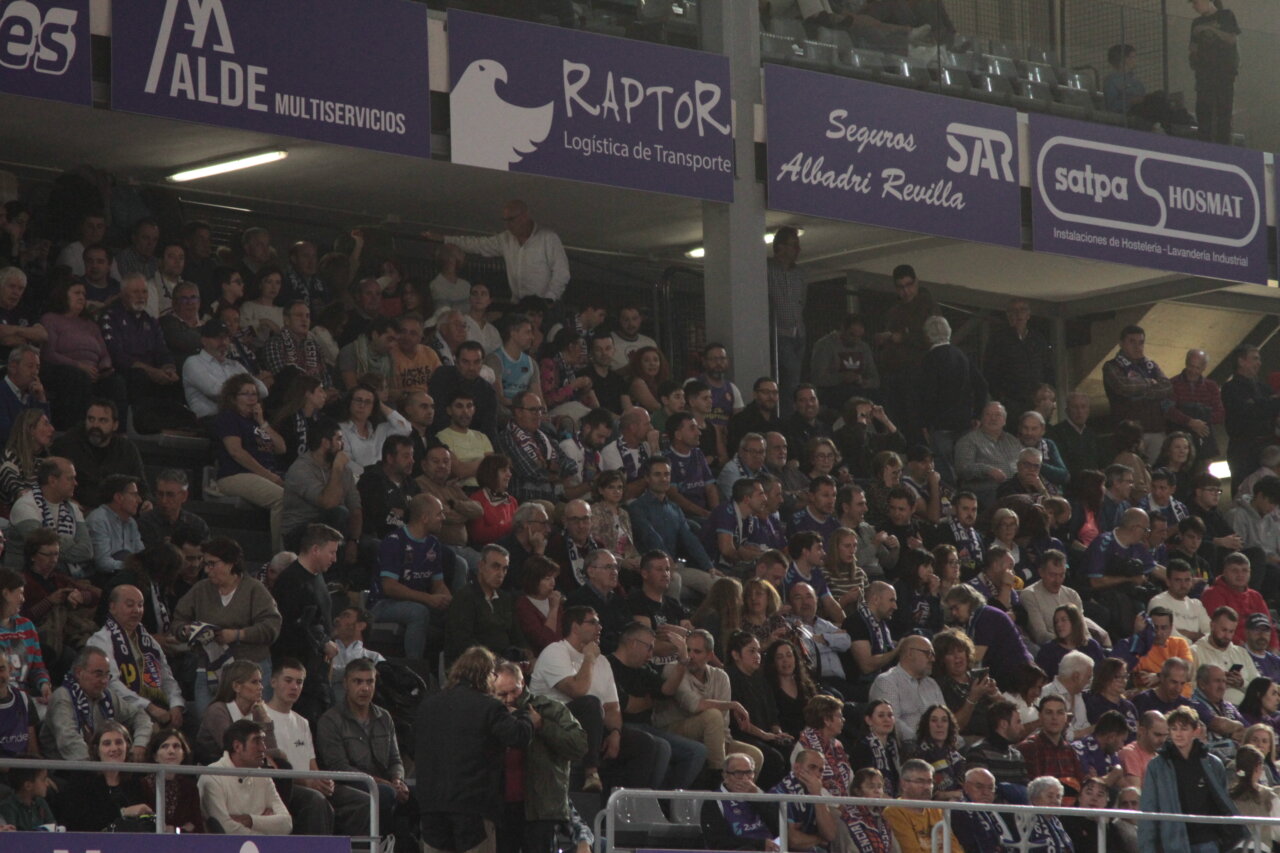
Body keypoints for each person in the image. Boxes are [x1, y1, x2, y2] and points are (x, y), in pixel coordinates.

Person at [171, 536, 281, 715]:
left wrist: (237, 635)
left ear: (230, 564)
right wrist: (186, 631)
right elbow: (177, 621)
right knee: (206, 718)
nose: (206, 570)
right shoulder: (201, 589)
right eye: (205, 564)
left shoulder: (254, 590)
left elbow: (271, 627)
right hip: (209, 670)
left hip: (251, 669)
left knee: (253, 721)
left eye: (212, 564)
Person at [317, 659, 414, 847]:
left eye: (369, 682)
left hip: (385, 784)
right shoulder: (330, 720)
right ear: (345, 684)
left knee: (419, 796)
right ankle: (380, 846)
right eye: (357, 681)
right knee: (385, 794)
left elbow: (395, 759)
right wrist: (383, 783)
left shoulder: (384, 717)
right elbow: (338, 767)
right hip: (348, 783)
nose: (364, 688)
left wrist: (398, 780)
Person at [265, 660, 365, 837]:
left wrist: (322, 782)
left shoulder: (302, 722)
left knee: (363, 801)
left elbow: (312, 764)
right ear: (273, 682)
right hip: (282, 786)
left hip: (309, 783)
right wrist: (309, 783)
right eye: (288, 680)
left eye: (299, 682)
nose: (294, 686)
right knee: (315, 800)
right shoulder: (261, 716)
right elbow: (271, 768)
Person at [1139, 705, 1245, 852]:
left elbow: (1223, 801)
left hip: (1208, 841)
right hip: (1174, 842)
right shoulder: (1157, 767)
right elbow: (1149, 808)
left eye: (1183, 728)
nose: (1178, 734)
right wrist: (1148, 848)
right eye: (1174, 729)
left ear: (1196, 730)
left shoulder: (1213, 764)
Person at [426, 200, 570, 302]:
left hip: (544, 304)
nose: (508, 225)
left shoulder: (548, 238)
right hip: (518, 304)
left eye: (511, 219)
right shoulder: (505, 239)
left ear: (525, 216)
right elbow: (478, 244)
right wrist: (444, 239)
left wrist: (549, 299)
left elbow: (562, 272)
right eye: (505, 220)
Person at [87, 584, 184, 731]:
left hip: (157, 707)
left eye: (140, 605)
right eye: (130, 605)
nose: (137, 611)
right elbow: (110, 684)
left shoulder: (148, 641)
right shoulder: (100, 641)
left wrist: (176, 705)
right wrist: (148, 706)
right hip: (121, 712)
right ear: (112, 607)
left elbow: (167, 679)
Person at [273, 524, 342, 721]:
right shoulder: (291, 581)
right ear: (315, 550)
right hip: (298, 673)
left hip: (317, 671)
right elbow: (297, 625)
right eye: (331, 552)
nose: (334, 558)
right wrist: (324, 642)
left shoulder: (317, 577)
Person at [371, 495, 454, 658]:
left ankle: (450, 669)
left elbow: (438, 584)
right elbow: (389, 587)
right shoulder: (394, 541)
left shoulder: (433, 544)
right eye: (439, 514)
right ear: (424, 518)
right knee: (418, 612)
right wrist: (428, 599)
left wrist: (449, 601)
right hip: (383, 604)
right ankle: (413, 667)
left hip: (418, 600)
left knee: (458, 614)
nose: (443, 518)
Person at [213, 373, 286, 551]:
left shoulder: (256, 422)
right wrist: (268, 475)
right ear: (232, 398)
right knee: (281, 498)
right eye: (246, 394)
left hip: (264, 475)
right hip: (236, 474)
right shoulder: (229, 418)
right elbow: (236, 452)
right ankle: (280, 554)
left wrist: (262, 422)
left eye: (255, 394)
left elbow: (281, 447)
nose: (252, 398)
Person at [40, 645, 152, 760]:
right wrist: (101, 765)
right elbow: (69, 742)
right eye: (98, 674)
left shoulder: (107, 695)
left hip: (102, 764)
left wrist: (140, 743)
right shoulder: (62, 697)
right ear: (79, 673)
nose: (104, 681)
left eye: (107, 675)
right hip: (66, 770)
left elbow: (139, 715)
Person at [39, 279, 123, 428]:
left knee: (116, 382)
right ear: (63, 295)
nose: (82, 297)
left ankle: (117, 432)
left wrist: (104, 368)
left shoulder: (90, 324)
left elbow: (104, 354)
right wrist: (79, 366)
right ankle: (76, 430)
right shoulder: (51, 319)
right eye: (77, 293)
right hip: (63, 370)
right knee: (78, 377)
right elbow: (49, 353)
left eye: (84, 294)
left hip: (93, 373)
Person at [920, 315, 987, 484]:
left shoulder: (929, 360)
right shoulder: (962, 356)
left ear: (927, 336)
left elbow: (928, 394)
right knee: (965, 467)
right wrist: (977, 415)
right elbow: (982, 386)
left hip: (941, 424)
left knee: (945, 472)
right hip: (965, 422)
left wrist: (926, 423)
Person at [198, 719, 293, 835]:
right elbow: (224, 829)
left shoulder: (263, 776)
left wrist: (250, 820)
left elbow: (286, 824)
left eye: (263, 741)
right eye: (257, 741)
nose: (263, 748)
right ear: (237, 747)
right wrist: (266, 827)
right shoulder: (212, 776)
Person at [7, 457, 93, 576]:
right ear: (52, 481)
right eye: (70, 478)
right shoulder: (26, 506)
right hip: (24, 578)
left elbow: (87, 551)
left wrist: (57, 545)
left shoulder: (72, 508)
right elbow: (42, 550)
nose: (75, 483)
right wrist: (69, 542)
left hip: (62, 576)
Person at [445, 544, 528, 664]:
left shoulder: (505, 598)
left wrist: (528, 654)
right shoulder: (464, 598)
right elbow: (463, 642)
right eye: (496, 567)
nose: (501, 574)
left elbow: (516, 634)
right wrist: (498, 661)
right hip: (473, 666)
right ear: (481, 566)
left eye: (504, 569)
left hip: (504, 663)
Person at [870, 634, 945, 747]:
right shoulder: (887, 681)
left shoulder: (932, 684)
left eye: (933, 654)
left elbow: (945, 718)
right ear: (910, 653)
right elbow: (892, 722)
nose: (933, 659)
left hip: (939, 745)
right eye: (928, 653)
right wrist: (923, 743)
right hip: (909, 749)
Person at [985, 298, 1053, 423]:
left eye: (1022, 310)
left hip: (1036, 401)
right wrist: (1002, 398)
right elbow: (990, 372)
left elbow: (1047, 366)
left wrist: (1046, 391)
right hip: (1012, 403)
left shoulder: (1037, 339)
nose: (1018, 314)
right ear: (1008, 315)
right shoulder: (998, 339)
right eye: (1014, 311)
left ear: (1028, 314)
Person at [699, 753, 781, 851]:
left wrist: (758, 798)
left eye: (749, 773)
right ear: (725, 775)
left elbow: (779, 826)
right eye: (738, 773)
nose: (745, 779)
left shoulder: (760, 794)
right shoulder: (714, 801)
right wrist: (759, 844)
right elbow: (718, 842)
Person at [883, 758, 966, 853]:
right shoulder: (893, 811)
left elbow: (954, 847)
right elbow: (911, 850)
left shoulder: (936, 810)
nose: (927, 787)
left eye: (930, 782)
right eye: (920, 781)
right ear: (903, 784)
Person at [1188, 0, 1240, 144]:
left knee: (1223, 110)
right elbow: (1193, 47)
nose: (1194, 7)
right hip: (1204, 73)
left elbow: (1231, 39)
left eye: (1196, 3)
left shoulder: (1226, 15)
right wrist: (1194, 58)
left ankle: (1223, 145)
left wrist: (1209, 30)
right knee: (1203, 110)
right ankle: (1204, 143)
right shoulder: (1196, 22)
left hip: (1224, 72)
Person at [954, 402, 1021, 507]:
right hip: (985, 492)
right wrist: (987, 470)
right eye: (988, 415)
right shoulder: (969, 440)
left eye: (998, 415)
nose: (993, 418)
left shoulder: (1013, 441)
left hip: (1014, 489)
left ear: (1004, 421)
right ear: (981, 419)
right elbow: (962, 469)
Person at [0, 408, 52, 506]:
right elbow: (18, 492)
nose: (52, 429)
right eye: (46, 424)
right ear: (31, 430)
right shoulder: (10, 458)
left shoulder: (45, 459)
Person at [0, 345, 48, 448]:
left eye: (37, 367)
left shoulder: (33, 395)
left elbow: (46, 430)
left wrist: (41, 399)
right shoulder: (2, 392)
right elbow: (6, 434)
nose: (35, 372)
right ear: (13, 367)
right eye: (30, 366)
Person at [1049, 392, 1104, 481]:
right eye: (1075, 407)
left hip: (1092, 486)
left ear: (1088, 410)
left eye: (1083, 407)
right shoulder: (1057, 433)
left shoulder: (1092, 434)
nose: (1080, 411)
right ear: (1067, 411)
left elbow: (1101, 463)